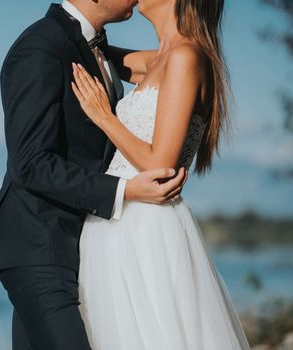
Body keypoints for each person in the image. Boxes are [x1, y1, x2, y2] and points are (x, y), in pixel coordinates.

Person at [0, 1, 188, 349]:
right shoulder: (40, 47)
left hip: (82, 244)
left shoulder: (94, 46)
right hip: (38, 243)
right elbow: (29, 163)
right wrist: (127, 191)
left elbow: (173, 62)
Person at [71, 0, 251, 348]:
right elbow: (94, 45)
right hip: (115, 221)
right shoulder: (159, 59)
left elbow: (159, 164)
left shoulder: (186, 57)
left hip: (145, 226)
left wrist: (103, 116)